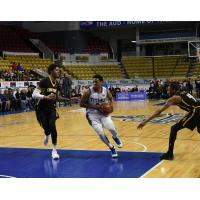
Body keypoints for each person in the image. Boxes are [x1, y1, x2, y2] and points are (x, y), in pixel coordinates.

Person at [137, 82, 200, 160]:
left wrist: (145, 121)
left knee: (174, 128)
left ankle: (169, 154)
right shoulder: (184, 91)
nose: (168, 91)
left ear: (174, 90)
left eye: (169, 90)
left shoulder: (175, 98)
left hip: (196, 111)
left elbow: (159, 111)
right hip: (196, 109)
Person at [32, 63, 76, 159]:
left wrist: (68, 100)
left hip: (51, 108)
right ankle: (47, 134)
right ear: (51, 71)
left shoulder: (57, 84)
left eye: (59, 70)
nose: (59, 72)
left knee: (53, 127)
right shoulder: (44, 81)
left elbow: (57, 98)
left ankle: (54, 151)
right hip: (41, 109)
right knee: (47, 129)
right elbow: (34, 94)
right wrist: (45, 97)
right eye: (57, 70)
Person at [80, 74, 123, 158]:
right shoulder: (88, 91)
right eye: (93, 82)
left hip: (104, 113)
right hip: (92, 115)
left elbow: (111, 98)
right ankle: (112, 148)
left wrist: (110, 106)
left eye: (96, 82)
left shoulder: (105, 90)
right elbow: (81, 104)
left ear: (101, 82)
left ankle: (115, 137)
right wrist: (96, 107)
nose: (94, 83)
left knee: (111, 128)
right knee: (100, 133)